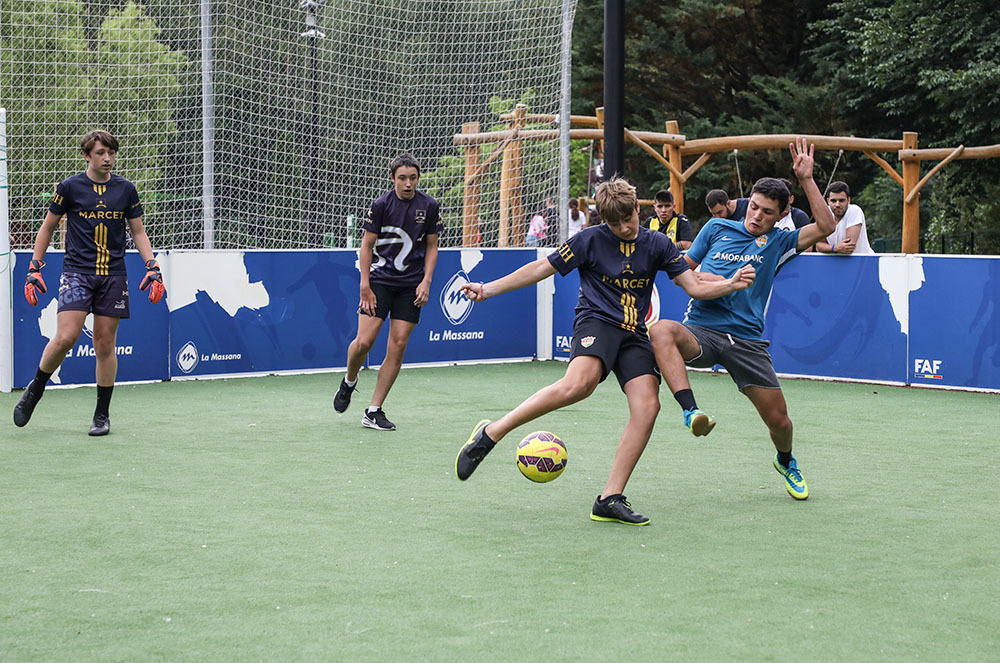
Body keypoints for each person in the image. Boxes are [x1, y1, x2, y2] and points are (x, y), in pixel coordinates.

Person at [453, 177, 756, 525]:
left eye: (628, 219)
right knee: (577, 385)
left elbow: (693, 286)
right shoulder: (589, 239)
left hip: (633, 333)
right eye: (615, 223)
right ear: (604, 220)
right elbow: (540, 268)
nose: (624, 228)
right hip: (596, 322)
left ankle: (609, 497)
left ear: (637, 209)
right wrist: (487, 289)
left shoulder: (658, 243)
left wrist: (730, 284)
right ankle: (491, 433)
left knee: (648, 406)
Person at [648, 138, 837, 501]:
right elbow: (681, 273)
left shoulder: (780, 243)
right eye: (754, 207)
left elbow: (826, 226)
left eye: (767, 212)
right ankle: (691, 412)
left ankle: (786, 460)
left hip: (747, 342)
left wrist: (808, 179)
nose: (756, 215)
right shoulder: (716, 228)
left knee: (780, 423)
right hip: (701, 331)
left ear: (782, 214)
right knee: (661, 331)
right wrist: (718, 281)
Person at [13, 130, 166, 436]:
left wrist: (153, 266)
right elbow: (47, 228)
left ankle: (101, 415)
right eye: (100, 153)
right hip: (76, 272)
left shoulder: (126, 189)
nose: (107, 158)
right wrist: (34, 267)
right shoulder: (70, 187)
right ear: (87, 155)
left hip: (113, 275)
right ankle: (36, 388)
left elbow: (138, 232)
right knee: (66, 337)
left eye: (111, 153)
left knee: (105, 344)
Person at [333, 153, 442, 431]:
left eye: (413, 178)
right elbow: (367, 247)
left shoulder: (429, 206)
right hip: (379, 282)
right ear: (392, 178)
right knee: (364, 342)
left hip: (411, 285)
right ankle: (349, 380)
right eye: (402, 178)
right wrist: (365, 285)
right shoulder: (381, 205)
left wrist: (426, 281)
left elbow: (432, 246)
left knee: (398, 345)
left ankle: (373, 410)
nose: (408, 183)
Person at [816, 181, 874, 255]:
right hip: (838, 263)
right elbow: (818, 246)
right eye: (833, 201)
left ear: (848, 200)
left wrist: (829, 248)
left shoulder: (854, 210)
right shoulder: (825, 214)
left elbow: (848, 247)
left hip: (863, 262)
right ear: (828, 201)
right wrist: (835, 248)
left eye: (841, 200)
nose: (837, 204)